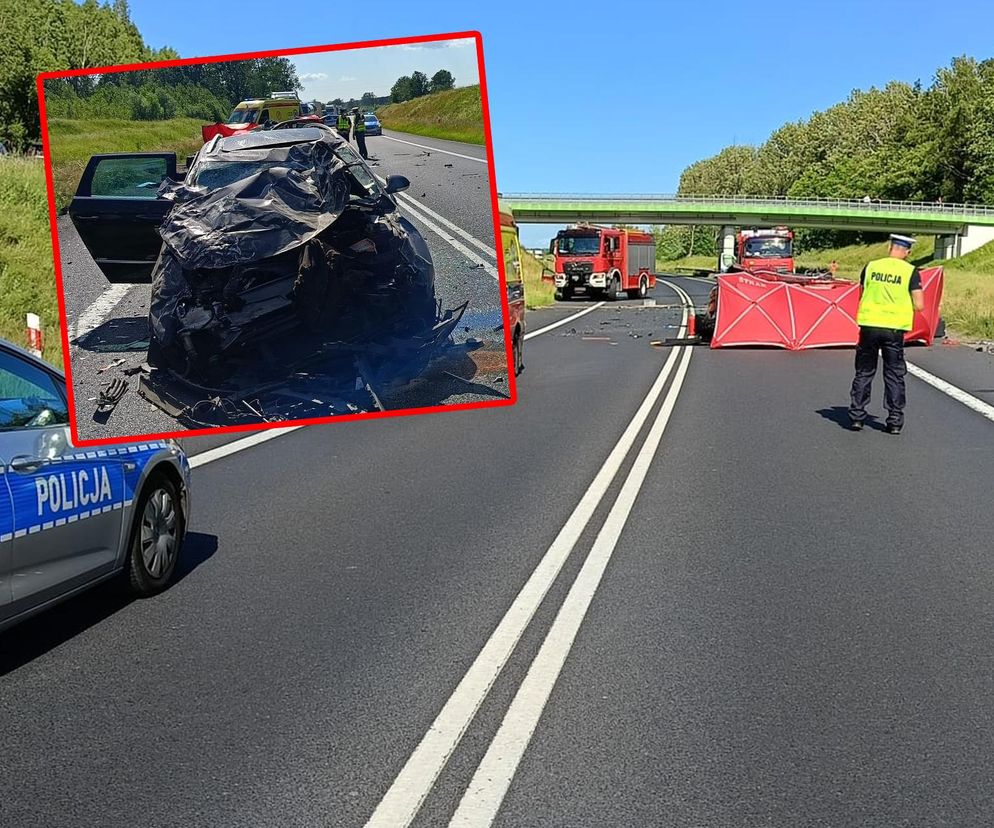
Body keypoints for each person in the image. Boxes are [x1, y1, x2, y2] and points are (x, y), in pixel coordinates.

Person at [848, 234, 925, 434]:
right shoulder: (910, 271)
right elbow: (919, 304)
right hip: (894, 329)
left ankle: (857, 417)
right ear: (907, 252)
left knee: (864, 371)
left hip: (869, 325)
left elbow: (862, 294)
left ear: (889, 248)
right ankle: (894, 421)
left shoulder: (871, 267)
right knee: (894, 374)